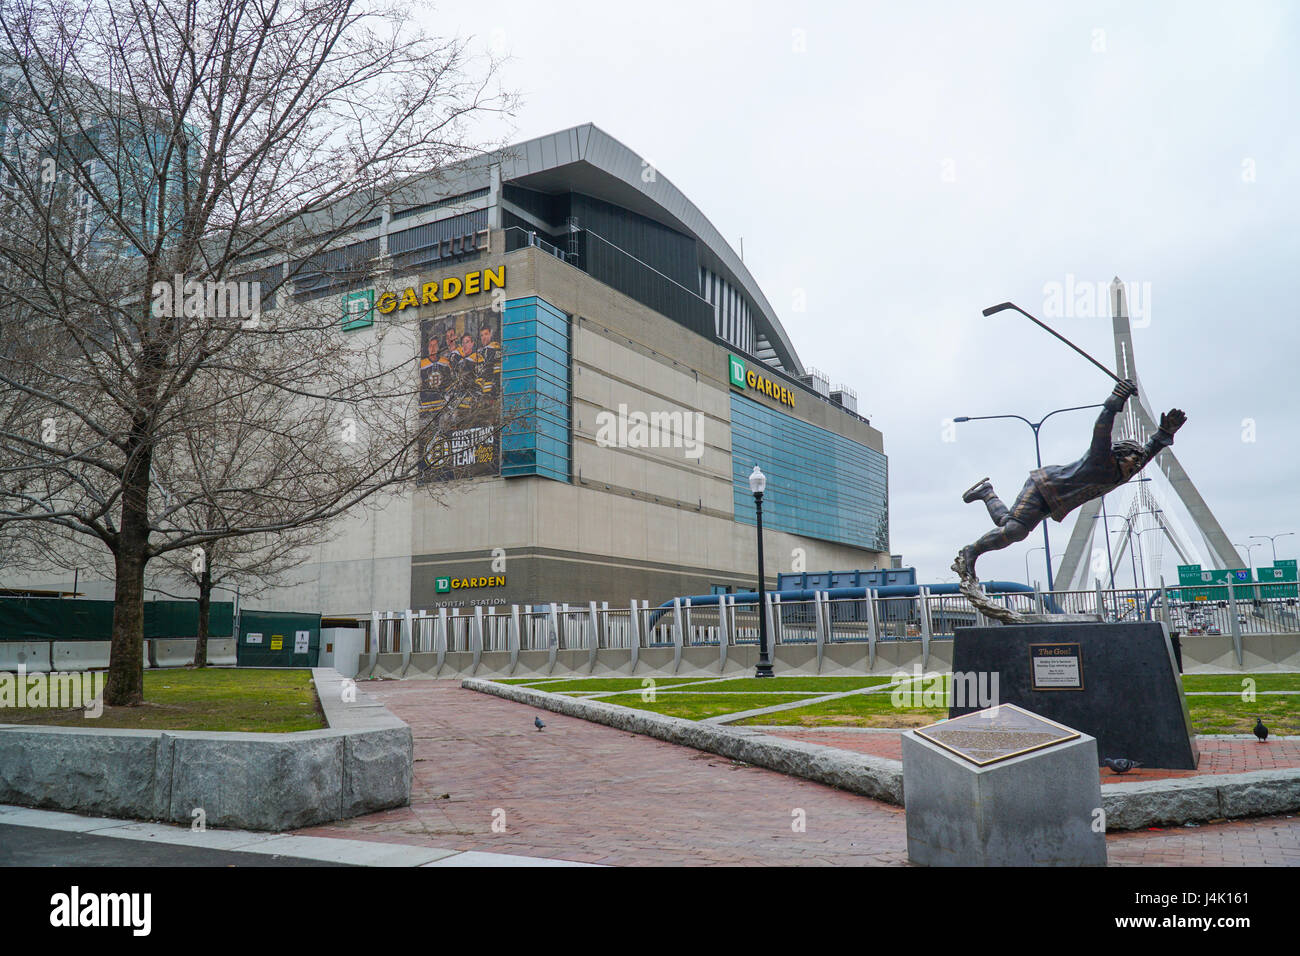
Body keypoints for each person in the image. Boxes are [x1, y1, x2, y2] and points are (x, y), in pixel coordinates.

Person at [955, 380, 1186, 579]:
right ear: (1118, 455)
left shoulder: (1125, 470)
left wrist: (1165, 434)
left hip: (1057, 501)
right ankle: (971, 551)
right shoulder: (1101, 459)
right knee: (1015, 529)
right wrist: (1118, 396)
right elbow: (1102, 428)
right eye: (1131, 461)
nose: (1135, 466)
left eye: (1137, 463)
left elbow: (1150, 450)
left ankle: (987, 493)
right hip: (1045, 486)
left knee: (1009, 525)